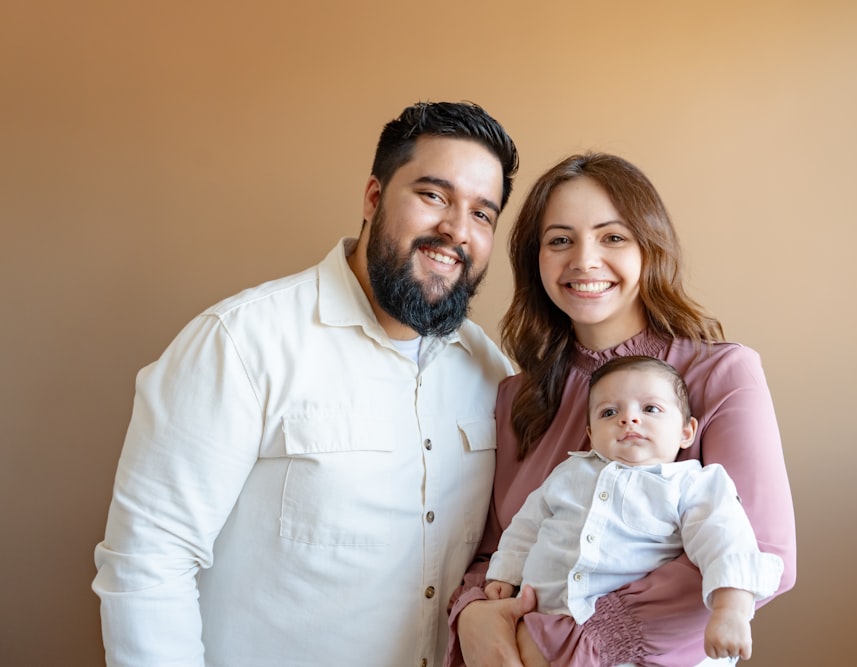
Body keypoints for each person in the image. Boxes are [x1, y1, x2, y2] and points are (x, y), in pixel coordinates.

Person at [93, 101, 519, 667]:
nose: (456, 230)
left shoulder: (490, 369)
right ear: (373, 198)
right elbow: (147, 562)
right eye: (433, 195)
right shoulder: (241, 342)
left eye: (482, 214)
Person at [448, 152, 796, 667]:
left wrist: (576, 646)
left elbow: (766, 553)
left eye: (612, 237)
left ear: (648, 248)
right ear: (535, 259)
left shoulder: (720, 373)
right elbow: (497, 546)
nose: (584, 261)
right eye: (560, 240)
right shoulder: (516, 395)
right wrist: (475, 614)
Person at [483, 356, 783, 663]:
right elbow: (527, 526)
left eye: (650, 409)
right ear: (591, 435)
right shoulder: (568, 474)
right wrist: (503, 576)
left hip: (631, 650)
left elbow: (726, 540)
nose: (628, 419)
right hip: (542, 622)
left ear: (686, 432)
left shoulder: (690, 484)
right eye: (609, 412)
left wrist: (730, 610)